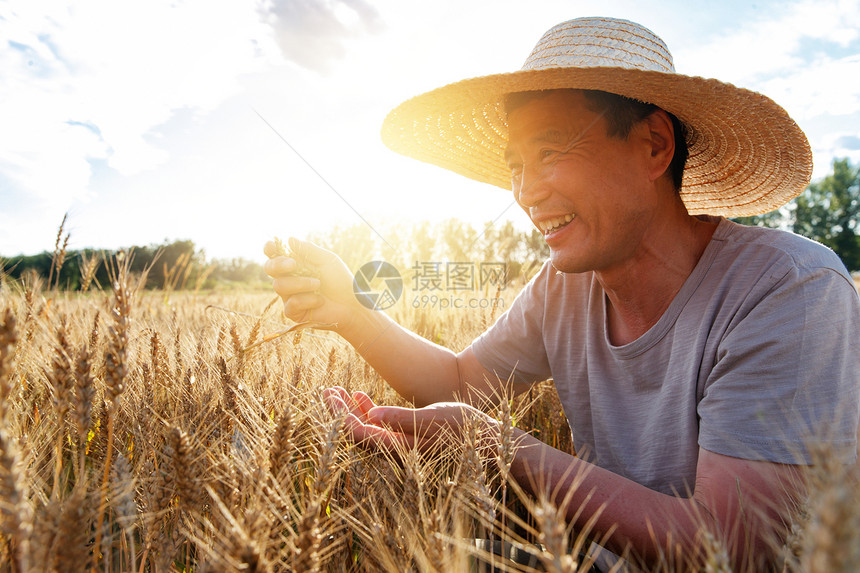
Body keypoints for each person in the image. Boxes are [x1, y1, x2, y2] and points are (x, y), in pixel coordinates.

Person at [264, 17, 860, 570]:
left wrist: (495, 445)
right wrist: (350, 312)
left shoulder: (788, 290)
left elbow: (725, 548)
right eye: (515, 165)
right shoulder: (563, 287)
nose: (524, 191)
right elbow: (458, 383)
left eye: (548, 152)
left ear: (655, 145)